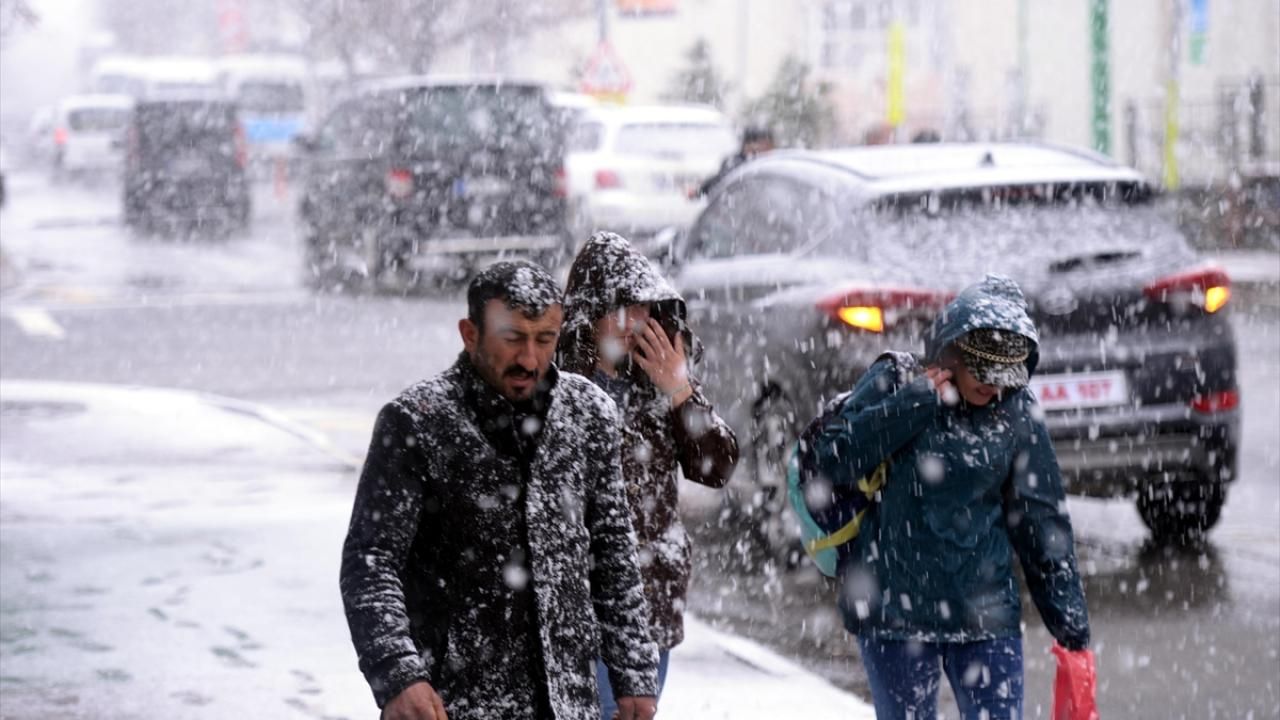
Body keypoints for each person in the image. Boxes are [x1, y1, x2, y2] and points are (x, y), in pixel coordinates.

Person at [340, 260, 659, 720]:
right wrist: (398, 675)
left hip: (567, 700)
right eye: (512, 339)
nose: (529, 359)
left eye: (545, 340)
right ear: (470, 334)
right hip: (451, 700)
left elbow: (612, 550)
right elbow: (371, 561)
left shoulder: (589, 413)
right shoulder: (416, 422)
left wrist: (633, 671)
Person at [802, 274, 1093, 719]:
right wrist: (914, 403)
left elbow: (1042, 523)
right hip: (894, 614)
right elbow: (832, 461)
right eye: (986, 371)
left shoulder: (1016, 412)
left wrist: (1071, 627)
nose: (995, 388)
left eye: (1007, 375)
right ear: (953, 348)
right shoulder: (897, 380)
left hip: (986, 617)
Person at [557, 232, 740, 720]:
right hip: (580, 601)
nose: (635, 322)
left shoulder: (655, 383)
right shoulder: (555, 384)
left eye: (643, 309)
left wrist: (680, 389)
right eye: (623, 308)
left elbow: (716, 467)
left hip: (648, 600)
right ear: (592, 311)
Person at [695, 125, 775, 198]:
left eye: (770, 144)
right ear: (749, 145)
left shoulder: (775, 162)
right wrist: (699, 190)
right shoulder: (737, 164)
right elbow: (721, 180)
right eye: (764, 144)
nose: (769, 148)